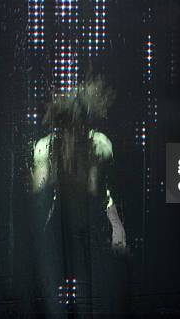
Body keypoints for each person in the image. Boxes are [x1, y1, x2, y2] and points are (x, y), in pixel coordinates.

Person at [30, 76, 127, 316]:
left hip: (92, 230)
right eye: (69, 124)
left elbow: (100, 193)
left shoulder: (101, 144)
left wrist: (116, 226)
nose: (75, 130)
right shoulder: (46, 148)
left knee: (93, 299)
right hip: (60, 228)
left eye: (79, 124)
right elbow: (39, 197)